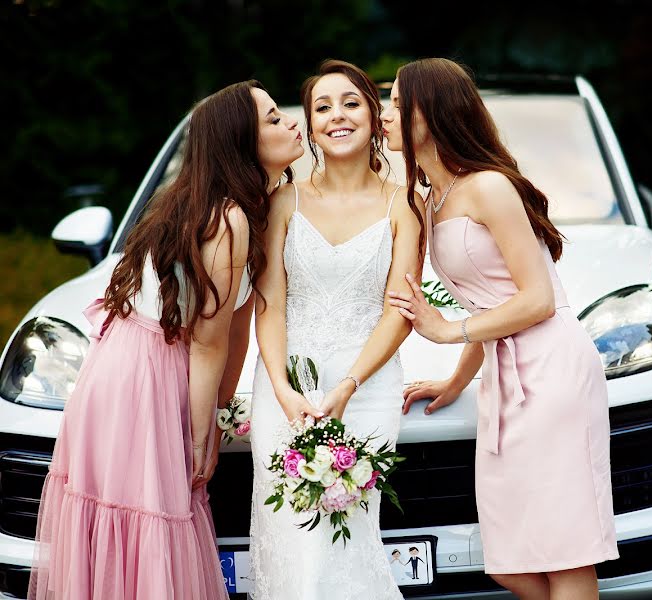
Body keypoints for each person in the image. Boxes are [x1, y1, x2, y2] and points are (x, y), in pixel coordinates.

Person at [28, 80, 304, 600]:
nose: (292, 123)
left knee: (143, 524)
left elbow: (236, 328)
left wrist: (218, 408)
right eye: (273, 118)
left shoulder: (243, 208)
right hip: (142, 377)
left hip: (134, 366)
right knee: (158, 513)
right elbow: (207, 341)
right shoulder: (228, 218)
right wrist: (201, 438)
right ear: (241, 142)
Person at [383, 58, 619, 600]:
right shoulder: (428, 200)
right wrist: (456, 380)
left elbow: (536, 299)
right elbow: (489, 303)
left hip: (553, 368)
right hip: (503, 376)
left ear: (433, 111)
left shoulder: (487, 187)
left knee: (565, 550)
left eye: (397, 102)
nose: (385, 114)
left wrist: (447, 333)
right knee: (509, 561)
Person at [249, 59, 424, 599]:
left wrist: (348, 385)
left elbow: (400, 311)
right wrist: (281, 388)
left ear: (374, 115)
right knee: (294, 542)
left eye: (350, 102)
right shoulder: (284, 200)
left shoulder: (404, 204)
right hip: (286, 390)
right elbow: (269, 303)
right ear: (311, 124)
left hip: (366, 389)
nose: (337, 116)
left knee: (348, 539)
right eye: (321, 107)